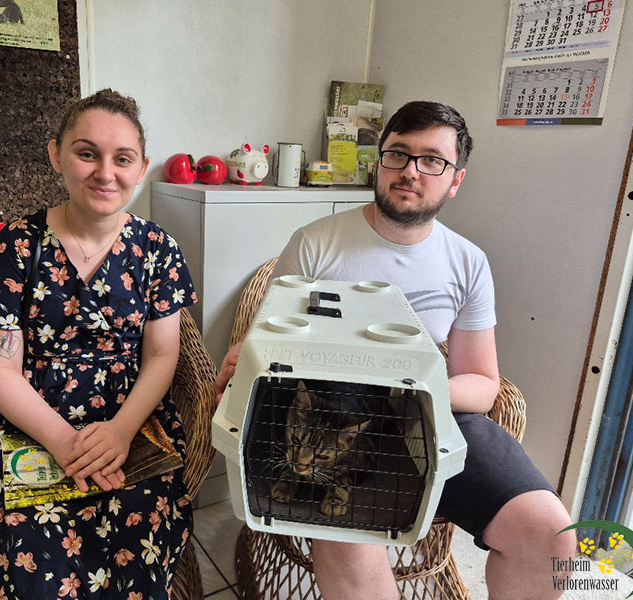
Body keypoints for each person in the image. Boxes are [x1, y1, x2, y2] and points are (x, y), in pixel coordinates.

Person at [215, 101, 576, 599]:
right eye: (398, 154)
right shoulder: (315, 244)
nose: (410, 170)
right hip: (332, 423)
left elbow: (483, 385)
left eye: (432, 160)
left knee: (552, 540)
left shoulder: (468, 262)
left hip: (434, 415)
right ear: (378, 163)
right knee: (352, 542)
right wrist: (243, 359)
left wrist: (412, 391)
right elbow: (267, 345)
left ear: (456, 179)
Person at [0, 89, 197, 600]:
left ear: (142, 168)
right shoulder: (15, 246)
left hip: (129, 418)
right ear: (56, 154)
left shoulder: (158, 250)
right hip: (30, 419)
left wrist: (121, 431)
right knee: (30, 543)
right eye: (87, 153)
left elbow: (164, 354)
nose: (105, 173)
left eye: (123, 159)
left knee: (140, 524)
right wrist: (63, 442)